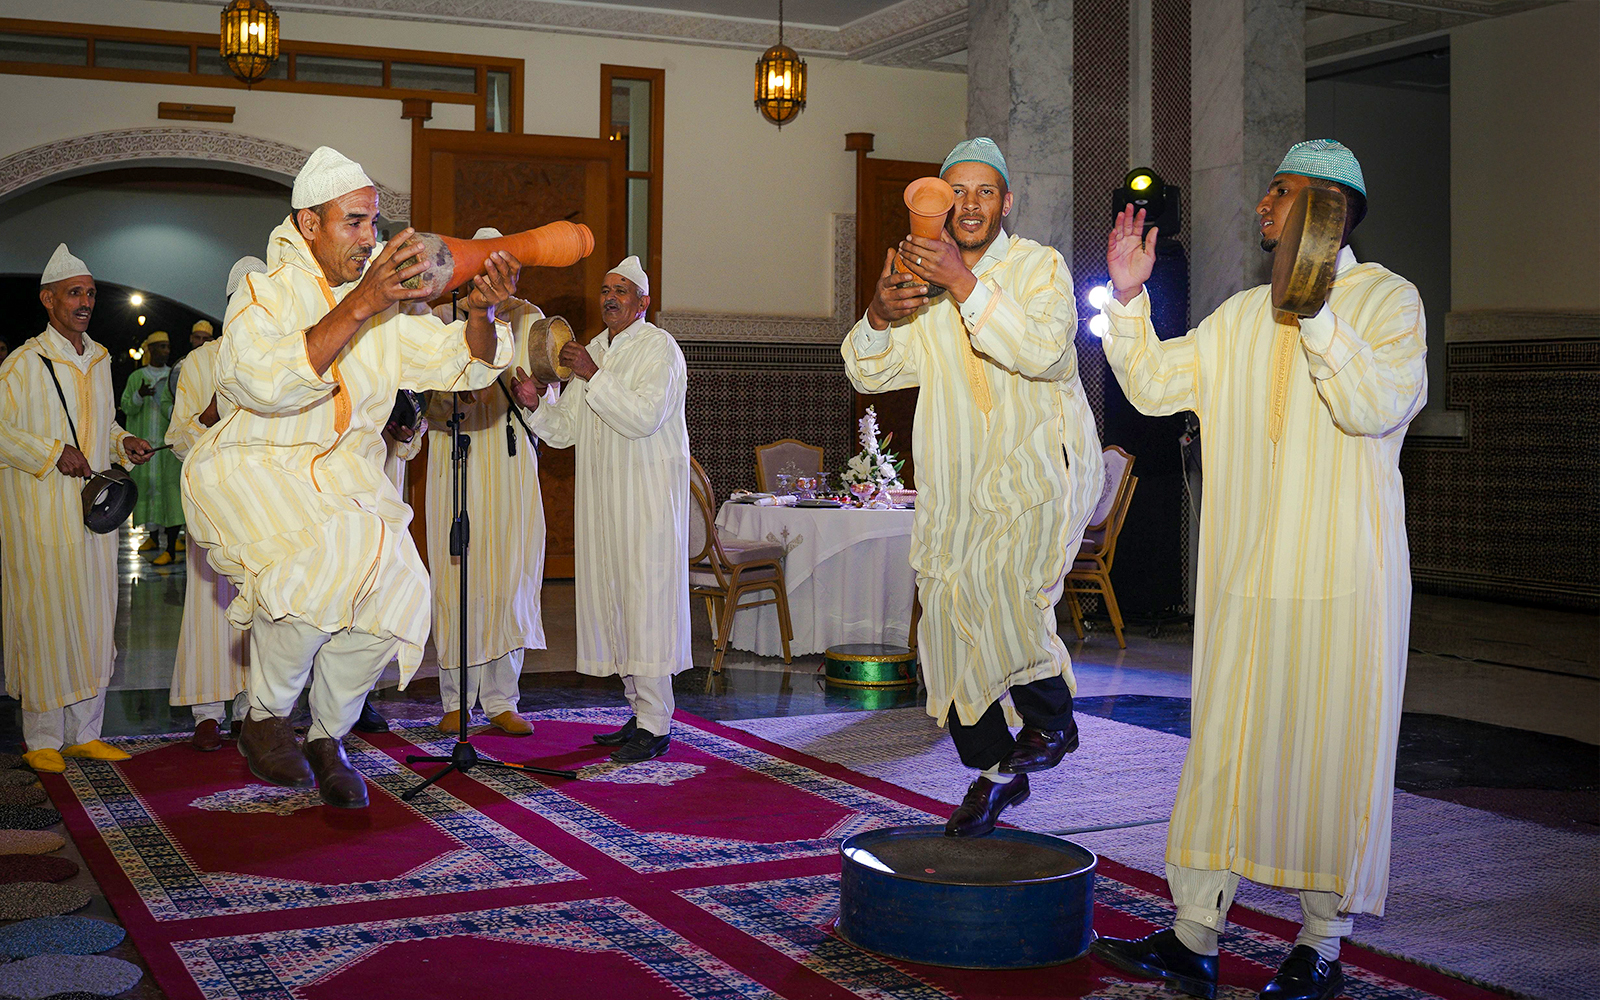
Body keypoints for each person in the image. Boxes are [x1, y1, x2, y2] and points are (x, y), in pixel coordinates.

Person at [1089, 140, 1426, 1000]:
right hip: (1241, 576)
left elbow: (1373, 403)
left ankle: (1322, 944)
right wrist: (1128, 299)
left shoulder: (1390, 302)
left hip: (1342, 581)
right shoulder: (1242, 314)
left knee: (1331, 756)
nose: (1260, 209)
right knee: (1225, 756)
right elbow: (1158, 385)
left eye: (1278, 195)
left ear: (1329, 210)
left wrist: (1311, 309)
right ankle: (1194, 933)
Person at [182, 146, 517, 808]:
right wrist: (362, 302)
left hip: (348, 481)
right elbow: (261, 382)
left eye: (374, 223)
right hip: (258, 466)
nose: (372, 238)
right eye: (356, 222)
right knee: (317, 568)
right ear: (308, 224)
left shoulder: (390, 310)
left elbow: (462, 365)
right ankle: (265, 716)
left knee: (401, 594)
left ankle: (327, 735)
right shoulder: (265, 293)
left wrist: (480, 313)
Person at [842, 138, 1102, 837]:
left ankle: (1052, 722)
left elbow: (1046, 353)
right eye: (958, 191)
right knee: (950, 621)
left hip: (1035, 471)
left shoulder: (1038, 267)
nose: (971, 203)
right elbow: (871, 374)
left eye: (986, 190)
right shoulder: (920, 278)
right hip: (956, 482)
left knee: (1005, 590)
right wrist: (877, 314)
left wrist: (962, 281)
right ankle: (995, 773)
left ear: (1006, 202)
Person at [510, 256, 690, 763]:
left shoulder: (660, 349)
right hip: (603, 502)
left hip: (647, 501)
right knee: (617, 602)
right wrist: (535, 403)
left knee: (646, 605)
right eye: (606, 290)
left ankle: (656, 725)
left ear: (643, 302)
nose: (611, 298)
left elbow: (642, 418)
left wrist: (594, 374)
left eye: (623, 291)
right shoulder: (590, 350)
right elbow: (567, 431)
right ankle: (637, 713)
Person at [0, 244, 155, 772]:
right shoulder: (24, 364)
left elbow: (100, 426)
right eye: (74, 293)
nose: (85, 301)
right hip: (39, 513)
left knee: (94, 617)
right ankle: (42, 737)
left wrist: (122, 442)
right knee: (45, 618)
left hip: (93, 515)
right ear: (48, 300)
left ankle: (85, 731)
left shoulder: (100, 358)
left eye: (90, 293)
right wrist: (50, 453)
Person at [427, 228, 549, 738]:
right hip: (459, 461)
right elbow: (418, 395)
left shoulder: (532, 320)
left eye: (504, 268)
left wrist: (534, 395)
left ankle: (502, 698)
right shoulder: (441, 319)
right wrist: (449, 399)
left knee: (510, 577)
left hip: (512, 462)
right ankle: (456, 699)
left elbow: (550, 399)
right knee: (459, 580)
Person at [164, 260, 264, 751]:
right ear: (230, 304)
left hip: (266, 505)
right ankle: (206, 709)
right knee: (209, 604)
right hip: (213, 502)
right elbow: (178, 437)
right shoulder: (200, 363)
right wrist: (207, 414)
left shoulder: (279, 356)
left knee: (262, 604)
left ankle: (252, 709)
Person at [122, 330, 184, 565]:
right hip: (145, 447)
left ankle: (170, 545)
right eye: (160, 347)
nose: (166, 351)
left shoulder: (174, 376)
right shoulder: (137, 377)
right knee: (149, 491)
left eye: (168, 346)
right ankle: (153, 538)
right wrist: (139, 395)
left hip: (167, 450)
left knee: (170, 495)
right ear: (150, 350)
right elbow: (126, 406)